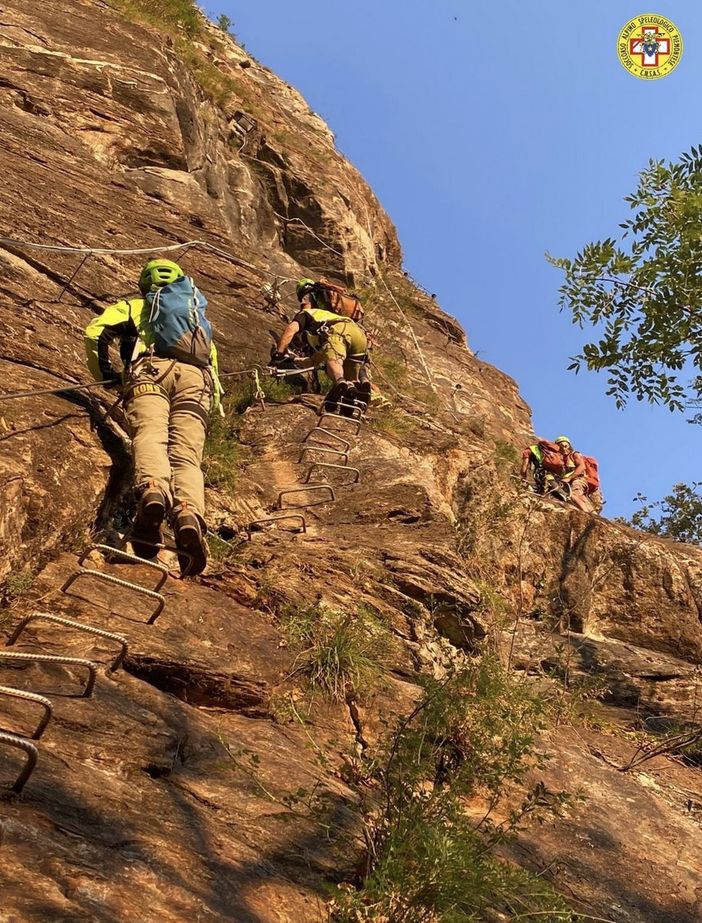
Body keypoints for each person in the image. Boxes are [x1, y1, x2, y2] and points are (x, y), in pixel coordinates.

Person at [84, 259, 220, 576]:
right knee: (187, 455)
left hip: (151, 372)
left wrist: (107, 377)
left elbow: (96, 333)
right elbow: (212, 365)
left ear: (145, 286)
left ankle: (154, 492)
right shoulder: (197, 321)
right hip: (198, 383)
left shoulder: (136, 306)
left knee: (150, 433)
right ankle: (188, 514)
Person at [271, 278, 371, 412]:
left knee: (334, 362)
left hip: (340, 331)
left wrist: (278, 355)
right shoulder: (327, 316)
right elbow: (313, 361)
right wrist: (293, 360)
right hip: (359, 335)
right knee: (351, 376)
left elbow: (291, 329)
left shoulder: (307, 314)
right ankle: (355, 390)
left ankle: (340, 382)